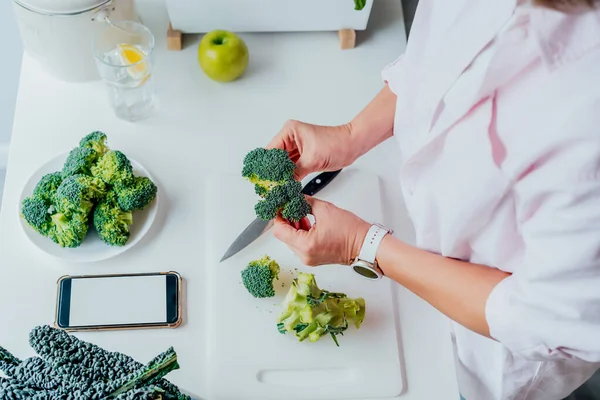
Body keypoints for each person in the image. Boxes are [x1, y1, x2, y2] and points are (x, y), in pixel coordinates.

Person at [266, 0, 600, 399]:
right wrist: (351, 135)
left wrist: (362, 244)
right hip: (410, 228)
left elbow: (544, 315)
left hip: (490, 349)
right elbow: (434, 58)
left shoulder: (587, 108)